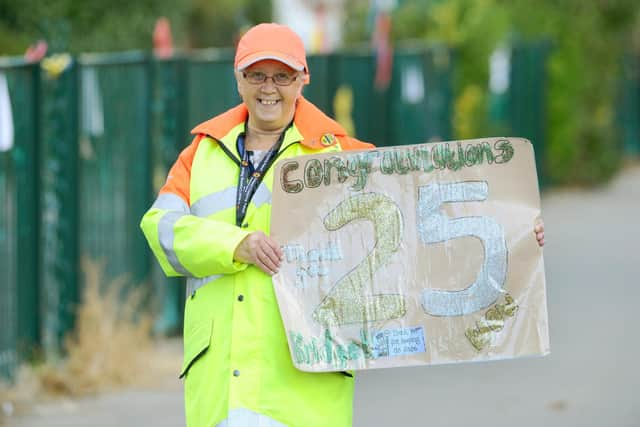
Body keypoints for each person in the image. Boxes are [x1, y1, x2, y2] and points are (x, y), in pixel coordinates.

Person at [140, 23, 546, 427]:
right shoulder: (202, 151)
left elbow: (422, 222)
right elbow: (161, 228)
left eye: (282, 76)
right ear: (238, 78)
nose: (269, 88)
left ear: (303, 79)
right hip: (219, 390)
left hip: (302, 391)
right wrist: (235, 246)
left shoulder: (342, 156)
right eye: (256, 75)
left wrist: (514, 229)